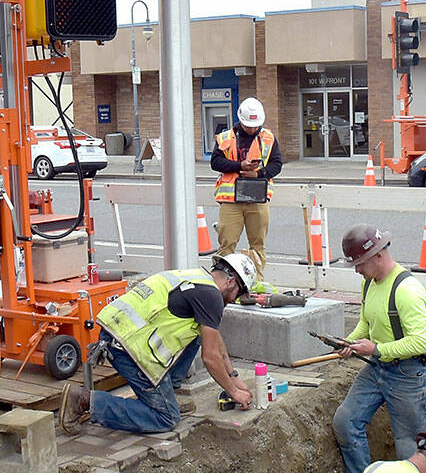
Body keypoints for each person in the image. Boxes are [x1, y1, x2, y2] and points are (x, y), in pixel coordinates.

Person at [60, 253, 258, 435]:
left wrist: (233, 377)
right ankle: (85, 400)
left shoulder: (198, 278)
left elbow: (214, 339)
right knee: (167, 418)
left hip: (119, 336)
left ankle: (164, 395)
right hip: (129, 349)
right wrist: (233, 392)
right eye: (239, 294)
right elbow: (210, 357)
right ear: (231, 281)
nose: (235, 300)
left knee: (201, 335)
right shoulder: (212, 296)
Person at [332, 224, 426, 473]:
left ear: (378, 256)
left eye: (359, 263)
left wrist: (376, 349)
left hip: (409, 374)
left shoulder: (407, 290)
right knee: (346, 422)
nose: (357, 269)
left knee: (408, 448)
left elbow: (421, 342)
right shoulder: (369, 284)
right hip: (379, 367)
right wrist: (351, 342)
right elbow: (366, 324)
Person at [211, 97, 282, 279]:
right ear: (241, 120)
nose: (252, 129)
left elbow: (277, 164)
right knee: (227, 244)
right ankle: (222, 284)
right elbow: (215, 162)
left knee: (257, 245)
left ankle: (256, 282)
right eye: (248, 125)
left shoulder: (268, 138)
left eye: (255, 126)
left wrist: (259, 174)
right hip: (231, 201)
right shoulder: (226, 137)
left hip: (257, 198)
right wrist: (240, 166)